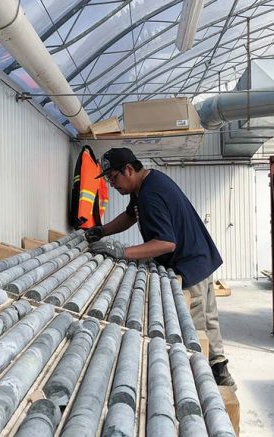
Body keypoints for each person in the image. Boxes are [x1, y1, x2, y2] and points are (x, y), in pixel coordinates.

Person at [86, 147, 235, 388]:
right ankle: (220, 371)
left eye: (113, 178)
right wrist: (101, 231)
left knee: (196, 331)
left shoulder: (150, 195)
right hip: (200, 258)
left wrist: (122, 252)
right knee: (209, 322)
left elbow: (166, 243)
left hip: (190, 266)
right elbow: (131, 216)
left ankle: (206, 387)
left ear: (129, 170)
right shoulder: (146, 183)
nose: (112, 185)